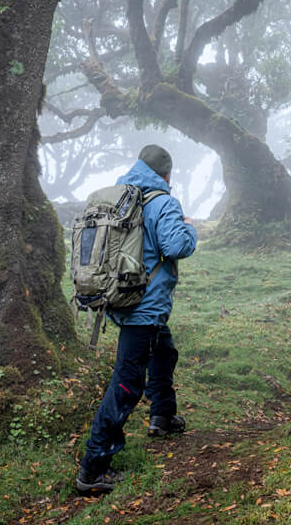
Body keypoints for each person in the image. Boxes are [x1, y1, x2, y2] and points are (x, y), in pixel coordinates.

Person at [76, 144, 197, 496]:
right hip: (144, 306)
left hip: (123, 299)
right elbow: (176, 247)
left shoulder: (121, 197)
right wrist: (190, 229)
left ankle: (163, 416)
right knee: (127, 383)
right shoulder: (162, 201)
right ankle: (93, 467)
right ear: (166, 174)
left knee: (164, 351)